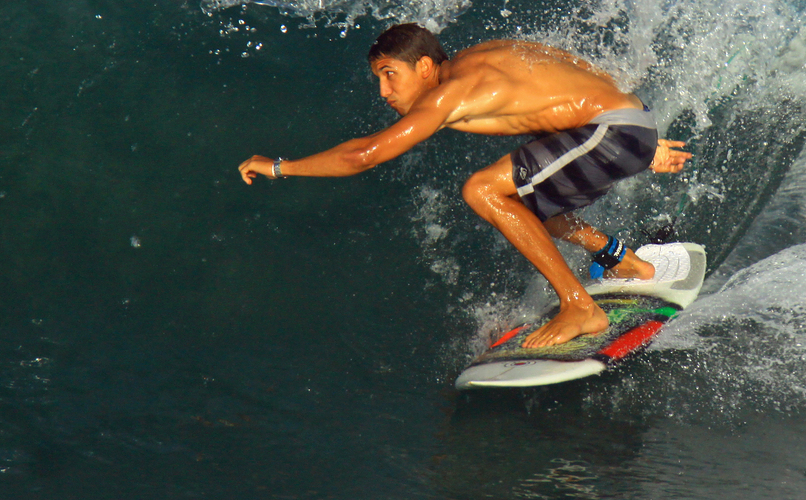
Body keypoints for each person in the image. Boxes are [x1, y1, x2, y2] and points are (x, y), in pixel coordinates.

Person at [239, 23, 691, 348]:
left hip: (612, 129)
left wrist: (280, 167)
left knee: (483, 190)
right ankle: (626, 263)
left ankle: (579, 306)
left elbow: (365, 155)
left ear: (423, 66)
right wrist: (639, 135)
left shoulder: (450, 92)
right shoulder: (482, 56)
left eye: (389, 74)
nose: (383, 91)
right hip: (624, 122)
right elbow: (566, 72)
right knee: (518, 202)